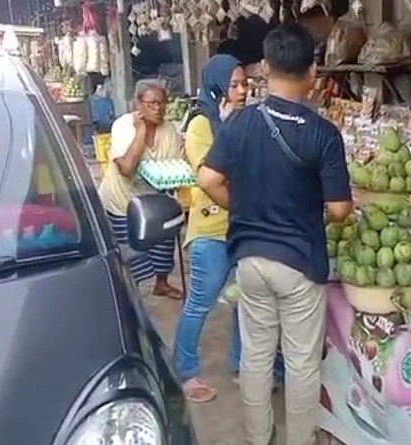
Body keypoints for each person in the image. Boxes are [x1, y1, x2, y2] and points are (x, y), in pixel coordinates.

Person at [198, 24, 352, 445]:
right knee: (301, 363)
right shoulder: (323, 133)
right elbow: (340, 209)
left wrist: (243, 208)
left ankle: (258, 437)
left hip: (250, 261)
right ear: (313, 72)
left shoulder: (240, 122)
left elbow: (208, 178)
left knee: (256, 355)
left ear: (265, 68)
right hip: (299, 264)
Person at [173, 54, 248, 403]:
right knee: (200, 303)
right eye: (234, 84)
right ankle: (185, 370)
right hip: (211, 230)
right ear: (217, 86)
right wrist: (230, 130)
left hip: (241, 228)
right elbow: (211, 176)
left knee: (242, 300)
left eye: (245, 83)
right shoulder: (201, 126)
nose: (242, 91)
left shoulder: (242, 119)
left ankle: (240, 364)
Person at [98, 80, 183, 298]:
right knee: (132, 254)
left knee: (163, 242)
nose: (159, 109)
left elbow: (171, 169)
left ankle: (161, 283)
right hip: (123, 202)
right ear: (138, 104)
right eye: (152, 103)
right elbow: (126, 168)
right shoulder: (123, 126)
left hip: (153, 199)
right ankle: (130, 293)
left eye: (162, 103)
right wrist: (141, 131)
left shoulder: (169, 131)